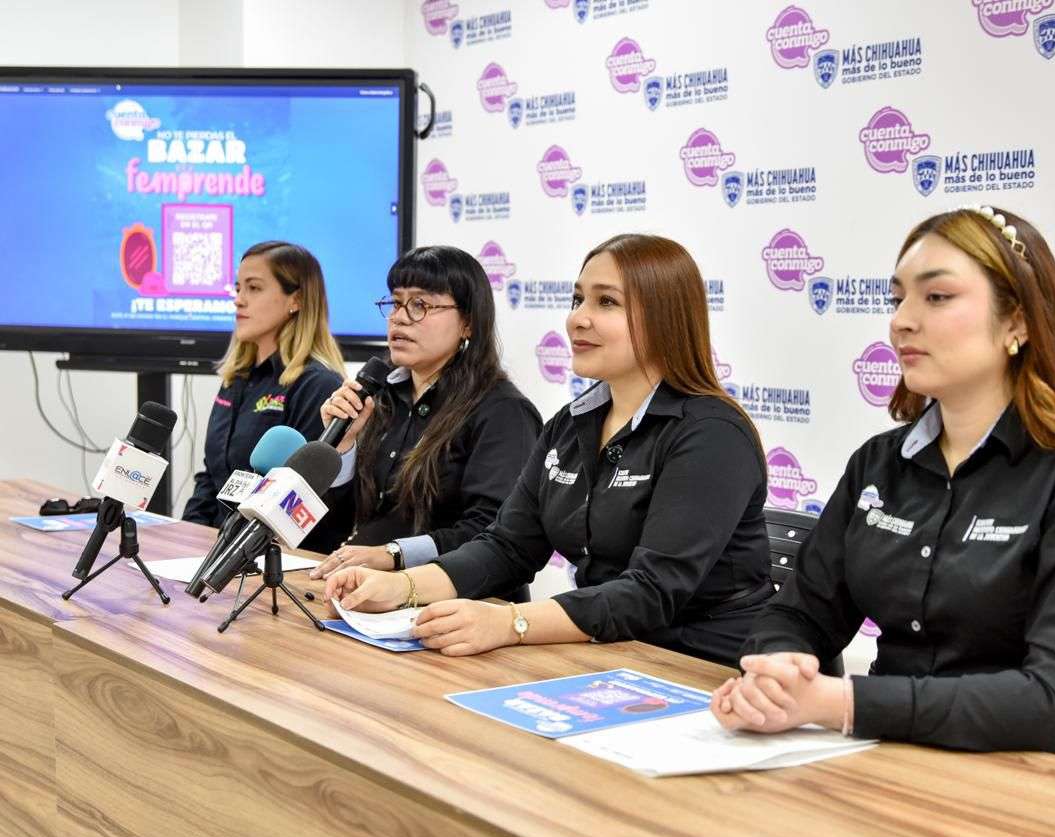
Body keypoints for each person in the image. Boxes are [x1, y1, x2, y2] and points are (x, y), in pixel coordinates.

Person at [714, 205, 1055, 780]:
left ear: (1018, 321)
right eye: (897, 298)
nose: (901, 321)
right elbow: (799, 612)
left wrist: (840, 704)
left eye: (937, 297)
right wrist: (776, 673)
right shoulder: (880, 463)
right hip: (901, 747)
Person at [324, 234, 774, 667]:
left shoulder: (712, 434)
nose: (578, 319)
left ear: (664, 319)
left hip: (702, 664)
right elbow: (507, 546)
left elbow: (651, 592)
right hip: (606, 648)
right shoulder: (572, 422)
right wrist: (402, 587)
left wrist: (510, 622)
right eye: (578, 300)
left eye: (606, 302)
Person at [307, 246, 542, 594]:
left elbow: (492, 533)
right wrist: (343, 447)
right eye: (396, 303)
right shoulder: (382, 396)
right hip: (370, 593)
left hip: (464, 603)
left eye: (420, 305)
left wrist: (394, 554)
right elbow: (350, 520)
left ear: (468, 323)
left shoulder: (503, 412)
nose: (399, 318)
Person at [183, 241, 345, 527]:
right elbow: (211, 477)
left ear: (296, 300)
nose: (239, 300)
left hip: (270, 547)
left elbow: (301, 501)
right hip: (216, 543)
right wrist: (186, 533)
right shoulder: (236, 378)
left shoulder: (318, 385)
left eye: (254, 288)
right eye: (238, 288)